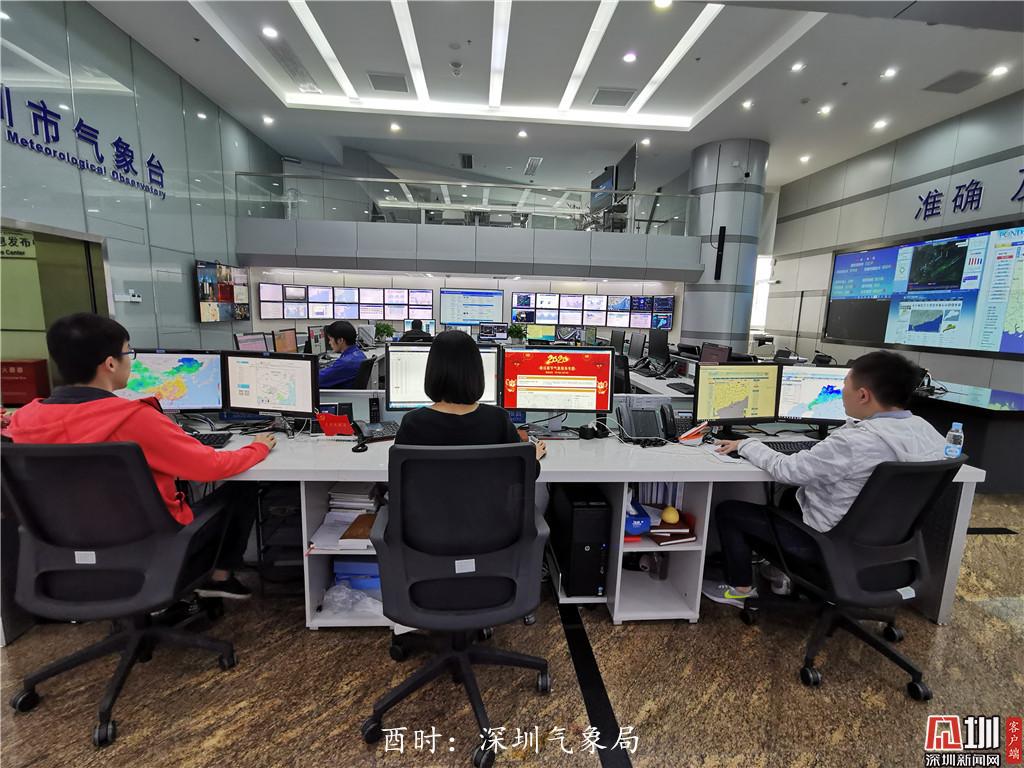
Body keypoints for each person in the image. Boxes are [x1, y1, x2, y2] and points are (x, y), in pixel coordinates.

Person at [3, 313, 276, 599]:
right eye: (128, 353)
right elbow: (211, 466)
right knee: (240, 490)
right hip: (149, 546)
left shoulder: (24, 419)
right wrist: (257, 447)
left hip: (60, 551)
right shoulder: (133, 418)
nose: (130, 360)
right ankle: (219, 577)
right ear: (110, 363)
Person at [702, 350, 946, 608]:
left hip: (830, 546)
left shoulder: (854, 442)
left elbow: (788, 470)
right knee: (790, 496)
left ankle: (740, 588)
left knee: (730, 511)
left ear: (863, 395)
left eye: (845, 385)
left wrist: (746, 444)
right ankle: (784, 573)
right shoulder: (928, 434)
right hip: (891, 551)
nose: (841, 392)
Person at [395, 330, 545, 466]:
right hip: (487, 490)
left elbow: (398, 475)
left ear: (432, 372)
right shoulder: (498, 420)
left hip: (430, 490)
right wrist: (533, 457)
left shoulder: (413, 422)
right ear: (476, 372)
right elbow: (521, 471)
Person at [319, 320, 367, 389]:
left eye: (330, 339)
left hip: (335, 395)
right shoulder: (358, 354)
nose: (329, 343)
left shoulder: (346, 362)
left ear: (340, 340)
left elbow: (317, 379)